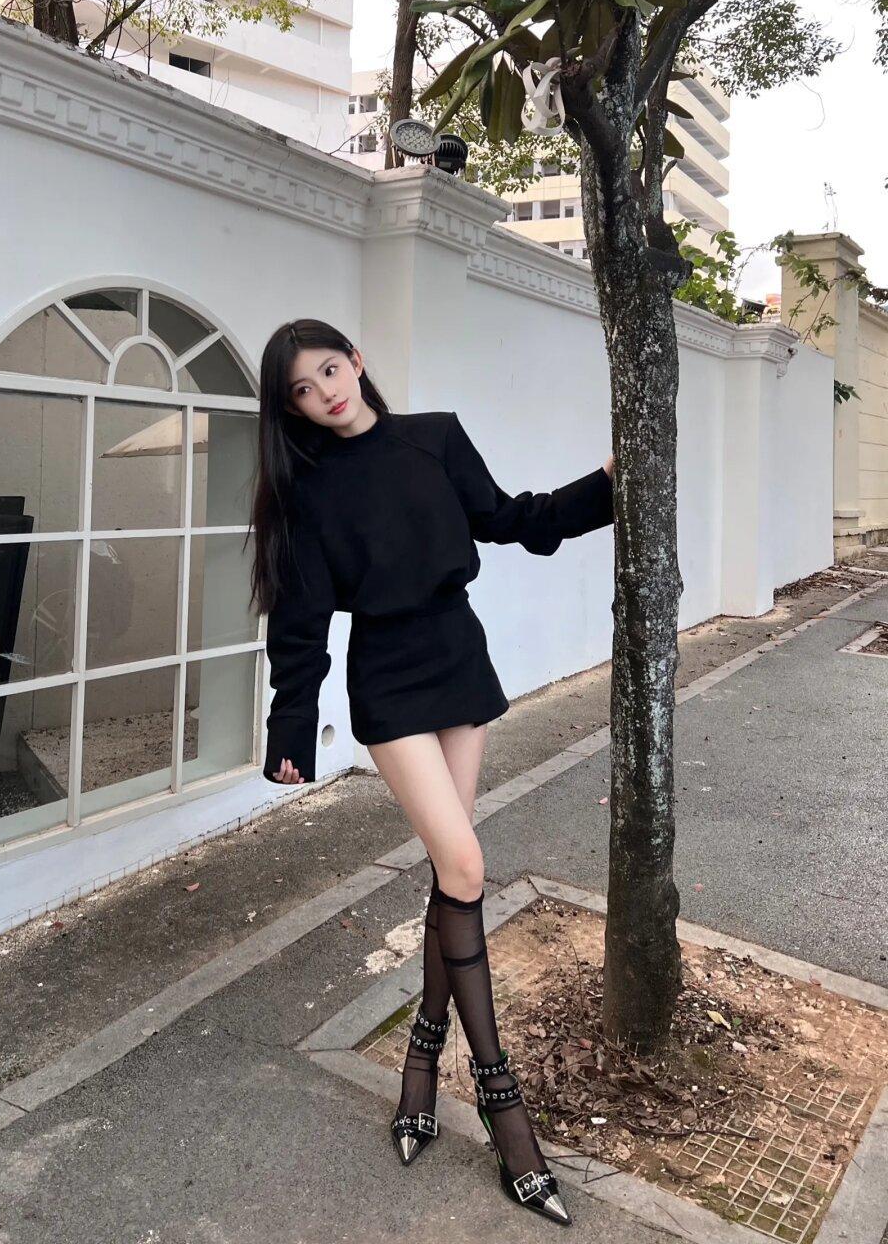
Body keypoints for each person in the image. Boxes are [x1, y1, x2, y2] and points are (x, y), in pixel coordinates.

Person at [248, 318, 615, 1227]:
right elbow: (299, 620)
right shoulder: (307, 488)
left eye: (329, 369)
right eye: (302, 390)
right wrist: (291, 725)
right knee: (466, 864)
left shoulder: (435, 438)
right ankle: (500, 1102)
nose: (325, 393)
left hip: (457, 655)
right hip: (387, 678)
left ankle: (421, 1056)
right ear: (292, 407)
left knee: (455, 877)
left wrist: (606, 487)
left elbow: (510, 519)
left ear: (357, 360)